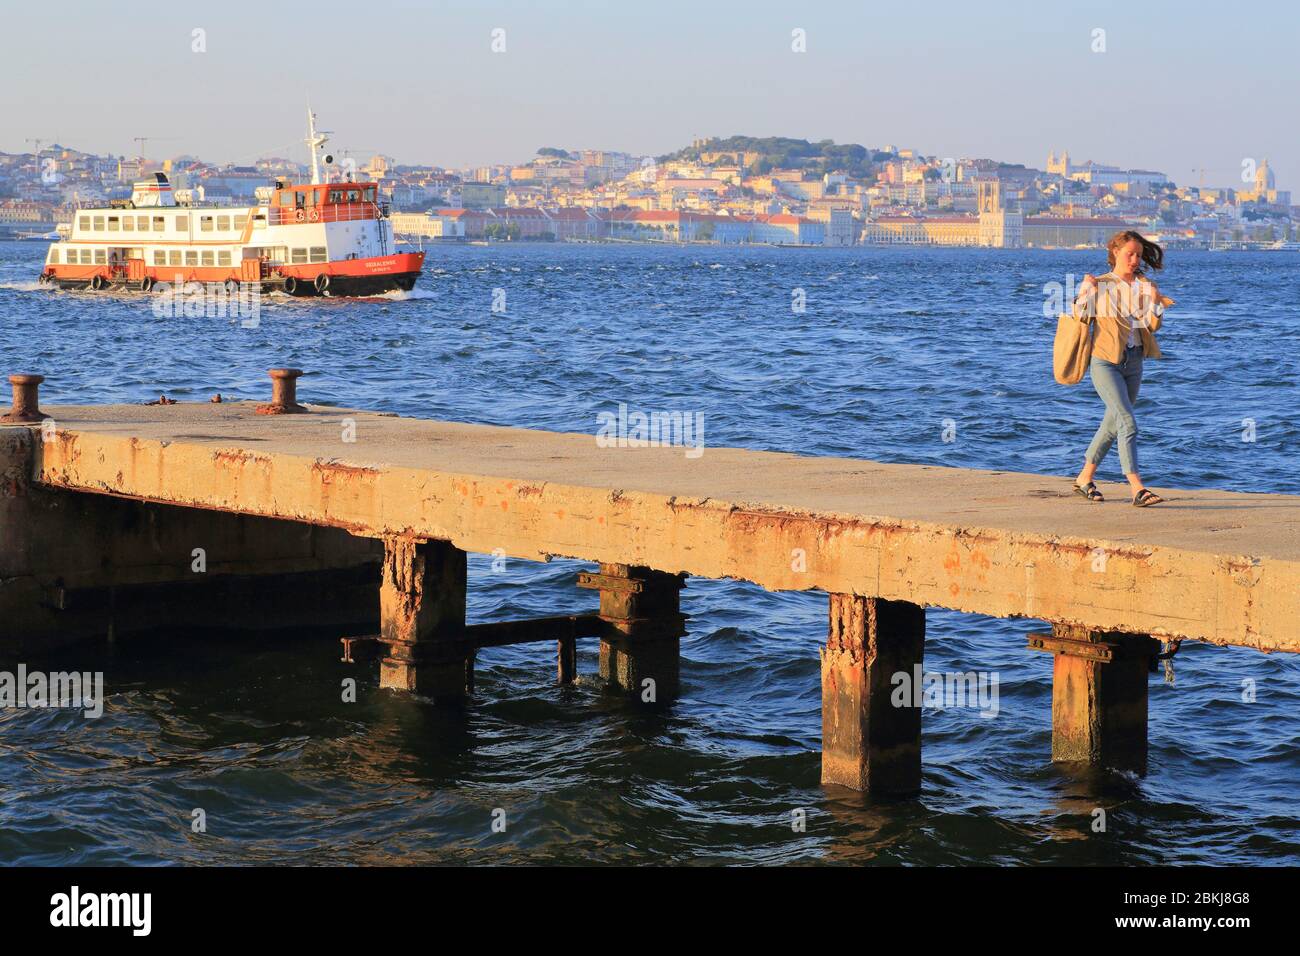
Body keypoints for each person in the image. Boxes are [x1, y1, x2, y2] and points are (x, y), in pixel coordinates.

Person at [1071, 230, 1169, 507]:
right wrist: (1085, 292)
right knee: (1127, 422)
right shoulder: (1099, 284)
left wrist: (1156, 301)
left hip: (1135, 361)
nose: (1135, 259)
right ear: (1115, 253)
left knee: (1112, 424)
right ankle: (1137, 488)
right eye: (1130, 254)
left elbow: (1153, 326)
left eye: (1139, 254)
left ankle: (1084, 478)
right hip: (1105, 362)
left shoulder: (1143, 285)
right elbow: (1080, 316)